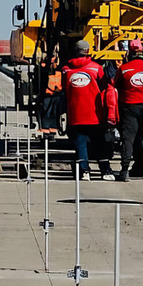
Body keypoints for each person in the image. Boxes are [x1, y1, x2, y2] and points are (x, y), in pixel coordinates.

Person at [62, 40, 115, 181]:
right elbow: (105, 88)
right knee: (100, 143)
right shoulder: (96, 68)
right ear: (88, 51)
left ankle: (84, 171)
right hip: (95, 113)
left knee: (80, 143)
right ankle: (105, 171)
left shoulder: (66, 69)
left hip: (75, 113)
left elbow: (64, 90)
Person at [115, 40, 143, 182]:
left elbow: (115, 84)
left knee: (128, 139)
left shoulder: (124, 68)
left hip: (129, 106)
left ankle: (124, 171)